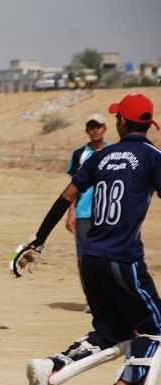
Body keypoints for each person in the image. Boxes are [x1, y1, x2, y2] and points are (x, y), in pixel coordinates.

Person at [15, 93, 161, 385]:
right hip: (124, 260)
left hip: (92, 258)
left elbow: (65, 196)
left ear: (121, 122)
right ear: (148, 124)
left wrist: (38, 240)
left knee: (111, 332)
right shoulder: (153, 157)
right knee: (155, 330)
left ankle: (51, 368)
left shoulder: (101, 157)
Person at [65, 114, 109, 311]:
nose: (95, 130)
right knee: (84, 258)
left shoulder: (113, 152)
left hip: (106, 213)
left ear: (104, 128)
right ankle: (92, 300)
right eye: (92, 127)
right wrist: (70, 213)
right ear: (87, 131)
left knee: (106, 256)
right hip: (83, 213)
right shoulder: (79, 154)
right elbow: (72, 186)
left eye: (98, 126)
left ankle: (108, 299)